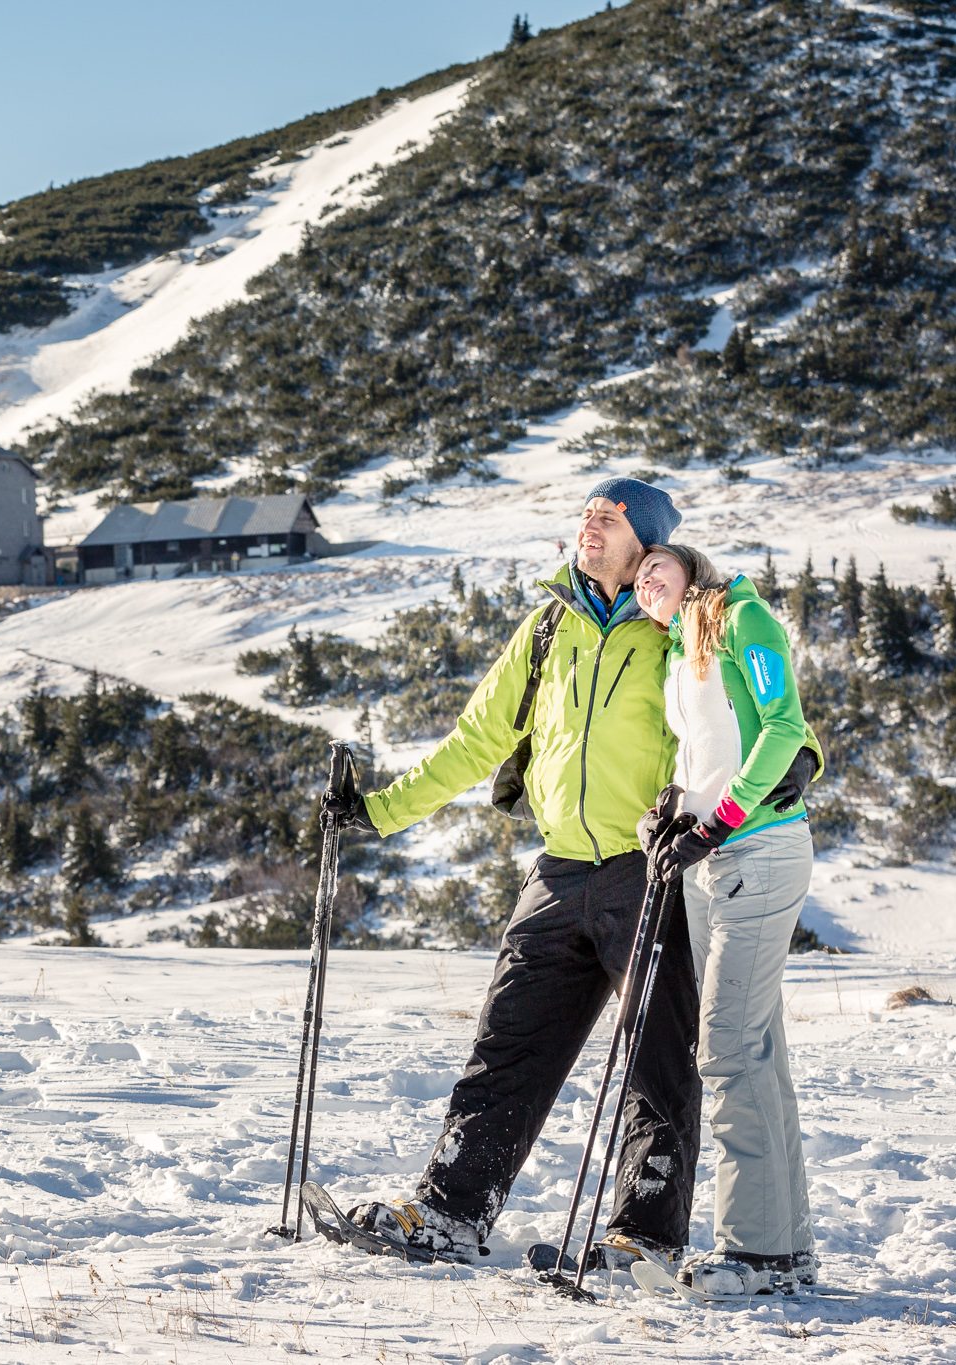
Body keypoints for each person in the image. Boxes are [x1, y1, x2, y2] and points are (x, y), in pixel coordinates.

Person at [322, 478, 815, 1269]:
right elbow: (475, 738)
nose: (590, 523)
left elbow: (768, 712)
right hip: (558, 870)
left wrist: (804, 761)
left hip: (647, 871)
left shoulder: (679, 625)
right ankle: (452, 1208)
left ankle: (642, 1236)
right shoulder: (550, 627)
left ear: (646, 541)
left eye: (609, 516)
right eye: (586, 512)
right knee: (506, 1043)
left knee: (660, 1059)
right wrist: (380, 812)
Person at [632, 542, 823, 1296]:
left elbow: (782, 728)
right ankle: (789, 1247)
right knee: (760, 1051)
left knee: (728, 1049)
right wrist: (674, 810)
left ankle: (756, 1252)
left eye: (658, 565)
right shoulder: (682, 644)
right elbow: (707, 752)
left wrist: (720, 822)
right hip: (713, 862)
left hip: (760, 851)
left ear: (691, 566)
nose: (647, 579)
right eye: (639, 577)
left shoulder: (743, 618)